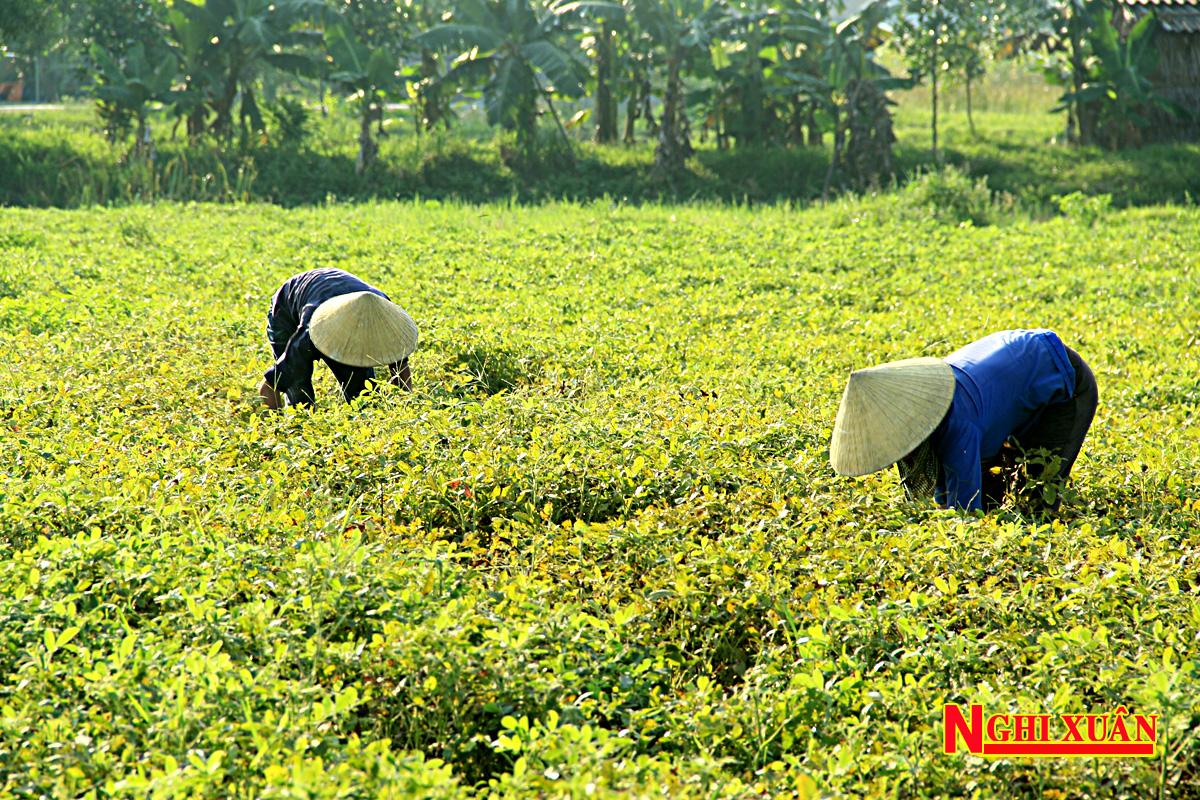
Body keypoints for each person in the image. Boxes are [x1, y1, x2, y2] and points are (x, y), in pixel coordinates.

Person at [829, 329, 1098, 512]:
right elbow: (946, 484)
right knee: (994, 492)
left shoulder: (957, 424)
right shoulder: (934, 405)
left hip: (1065, 381)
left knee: (1036, 502)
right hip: (1020, 373)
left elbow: (965, 512)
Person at [258, 268, 418, 409]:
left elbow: (401, 372)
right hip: (286, 307)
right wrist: (276, 427)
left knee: (365, 398)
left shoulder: (383, 313)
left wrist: (402, 405)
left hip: (331, 293)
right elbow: (269, 388)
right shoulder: (311, 332)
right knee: (299, 396)